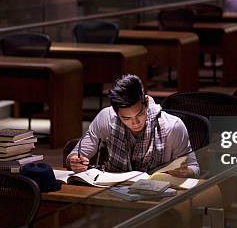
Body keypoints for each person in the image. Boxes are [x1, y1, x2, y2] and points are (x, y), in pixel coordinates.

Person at [67, 74, 199, 177]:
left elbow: (195, 168)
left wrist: (186, 172)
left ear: (146, 102)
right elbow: (76, 154)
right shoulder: (106, 118)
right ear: (116, 112)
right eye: (126, 118)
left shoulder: (172, 126)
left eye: (139, 114)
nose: (135, 122)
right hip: (114, 191)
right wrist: (74, 161)